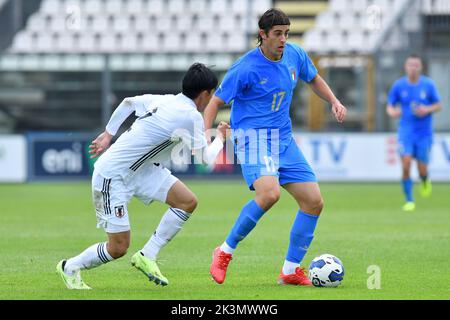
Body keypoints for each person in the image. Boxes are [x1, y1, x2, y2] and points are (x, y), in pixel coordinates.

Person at [204, 9, 347, 286]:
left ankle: (291, 270)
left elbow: (313, 77)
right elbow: (215, 102)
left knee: (313, 202)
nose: (283, 39)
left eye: (287, 33)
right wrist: (206, 135)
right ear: (263, 35)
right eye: (278, 34)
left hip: (283, 139)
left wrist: (334, 100)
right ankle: (223, 251)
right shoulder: (245, 67)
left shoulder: (295, 55)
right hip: (253, 139)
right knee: (269, 194)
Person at [56, 63, 229, 289]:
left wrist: (109, 133)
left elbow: (128, 102)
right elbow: (205, 160)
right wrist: (220, 138)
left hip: (142, 170)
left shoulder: (166, 99)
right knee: (118, 248)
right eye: (212, 94)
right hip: (113, 174)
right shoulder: (190, 116)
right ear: (205, 94)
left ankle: (148, 254)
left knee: (187, 202)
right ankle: (70, 266)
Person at [387, 54, 442, 212]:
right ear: (406, 67)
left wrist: (427, 109)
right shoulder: (399, 85)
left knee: (422, 168)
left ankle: (425, 179)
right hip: (406, 132)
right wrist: (393, 112)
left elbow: (438, 105)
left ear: (420, 67)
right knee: (405, 164)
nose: (413, 68)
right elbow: (390, 106)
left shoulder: (428, 85)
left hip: (424, 133)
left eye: (416, 65)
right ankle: (409, 200)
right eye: (410, 65)